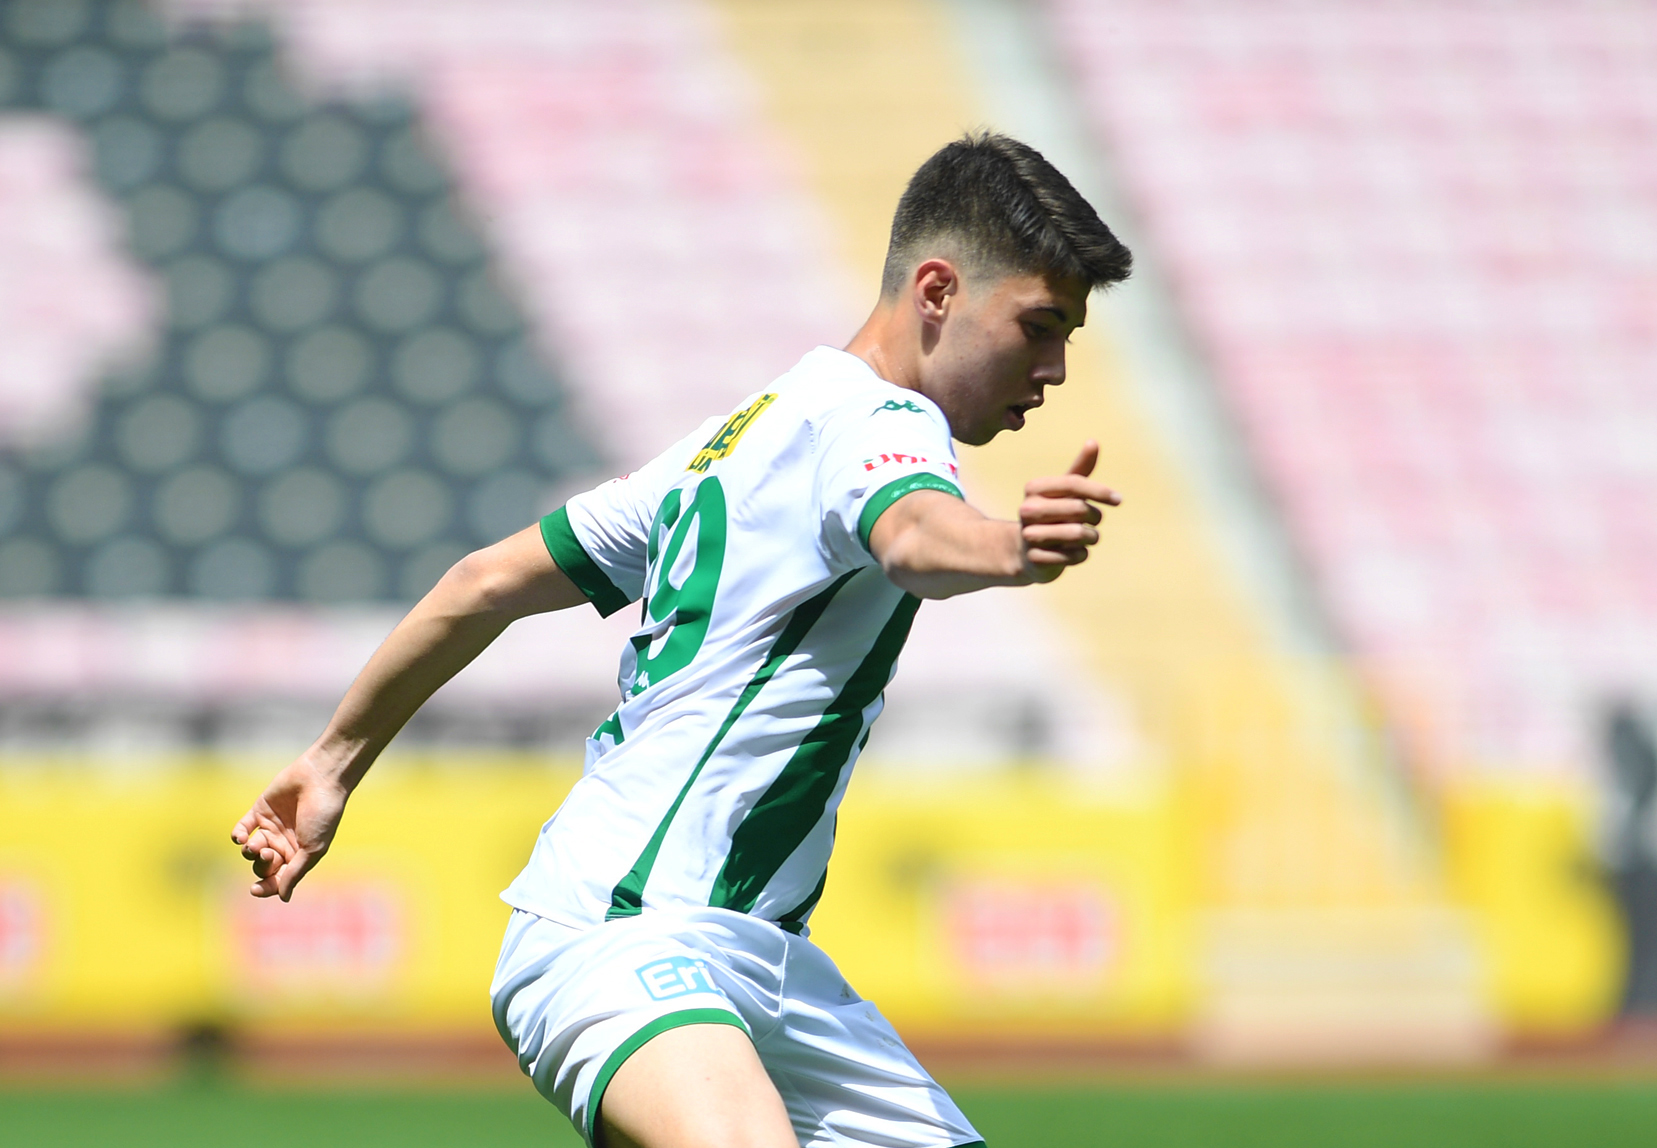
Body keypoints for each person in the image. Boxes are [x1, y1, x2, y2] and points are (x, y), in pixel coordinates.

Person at [231, 132, 1131, 1148]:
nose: (1055, 369)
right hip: (626, 930)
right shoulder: (882, 423)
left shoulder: (744, 432)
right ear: (936, 290)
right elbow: (914, 533)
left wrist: (331, 762)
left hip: (758, 961)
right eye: (1039, 326)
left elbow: (482, 583)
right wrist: (1009, 544)